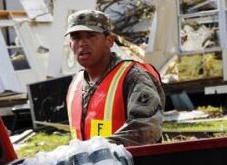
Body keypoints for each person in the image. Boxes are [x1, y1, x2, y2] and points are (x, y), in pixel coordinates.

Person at [64, 10, 166, 147]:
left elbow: (147, 130)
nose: (83, 43)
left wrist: (94, 150)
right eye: (76, 38)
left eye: (91, 36)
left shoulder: (134, 77)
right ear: (71, 45)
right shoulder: (75, 84)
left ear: (109, 41)